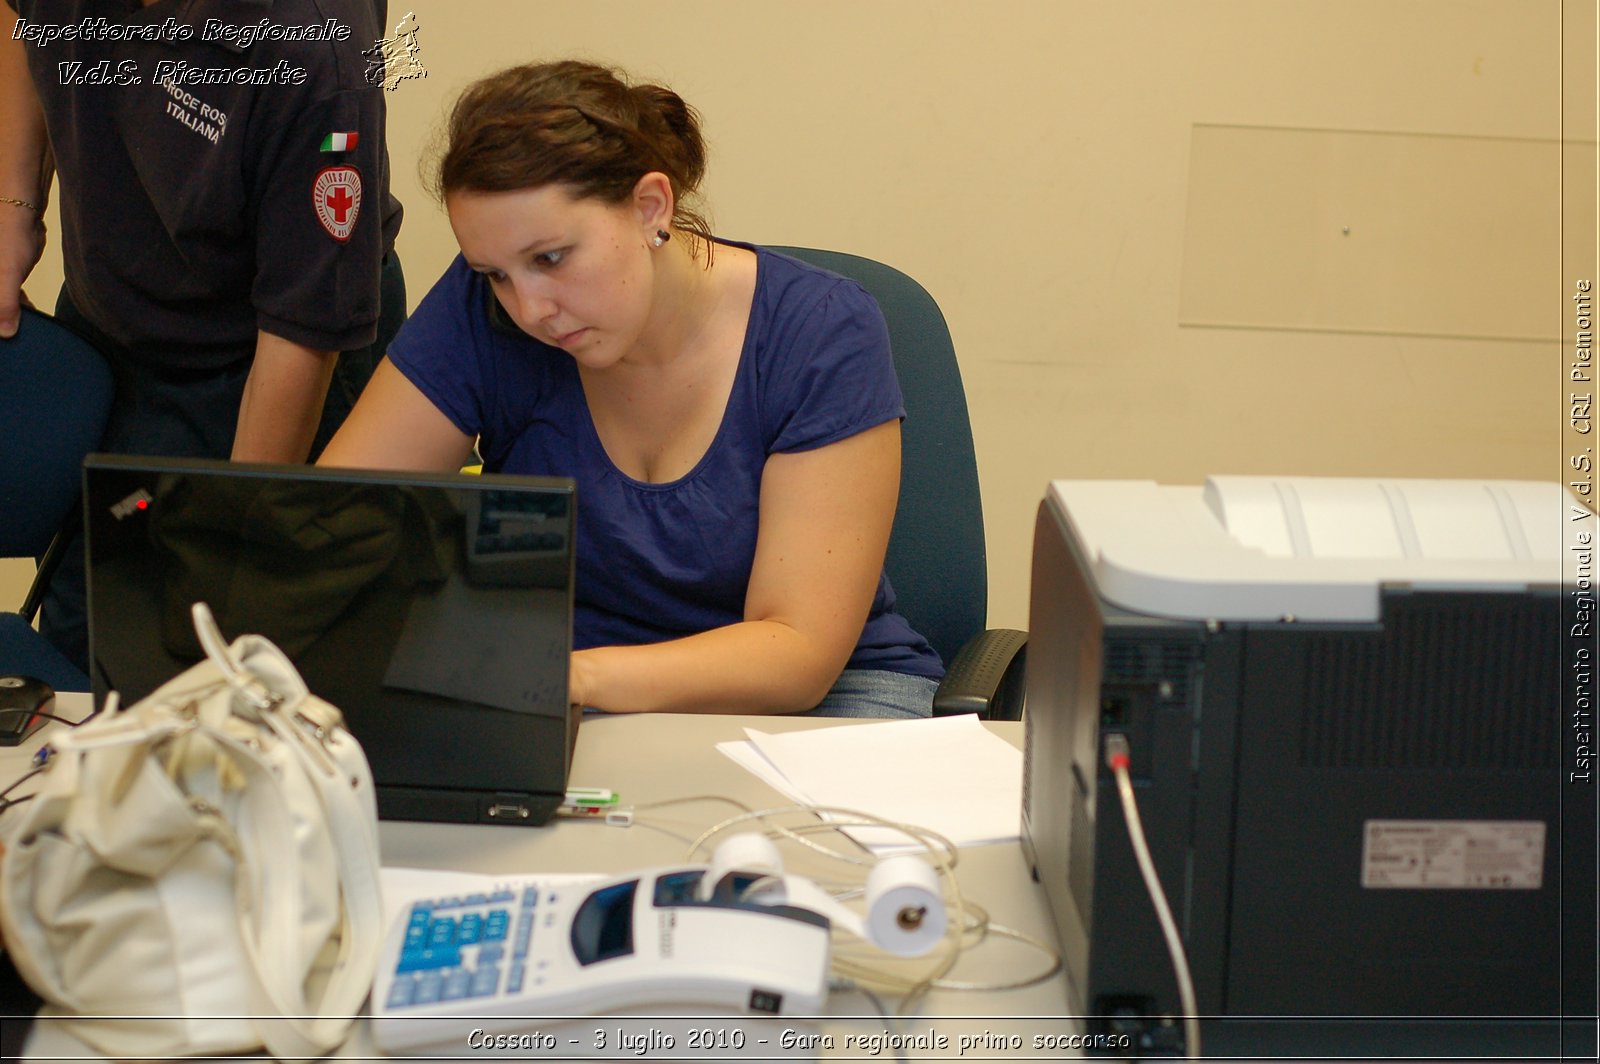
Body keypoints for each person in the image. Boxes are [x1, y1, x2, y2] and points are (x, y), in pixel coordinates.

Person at [322, 60, 943, 717]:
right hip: (557, 687)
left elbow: (794, 654)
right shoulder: (484, 307)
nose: (529, 309)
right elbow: (331, 530)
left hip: (818, 702)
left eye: (551, 259)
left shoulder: (819, 330)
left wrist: (566, 679)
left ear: (651, 206)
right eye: (495, 273)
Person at [0, 0, 405, 673]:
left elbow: (301, 338)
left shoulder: (313, 47)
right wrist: (15, 203)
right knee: (90, 654)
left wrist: (230, 547)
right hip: (116, 313)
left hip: (268, 353)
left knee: (244, 658)